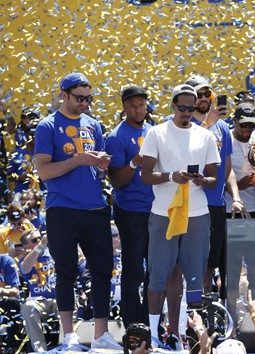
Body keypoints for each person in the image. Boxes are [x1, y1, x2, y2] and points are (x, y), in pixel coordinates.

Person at [34, 72, 120, 350]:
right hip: (63, 208)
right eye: (79, 98)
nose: (85, 103)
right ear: (64, 95)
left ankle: (101, 335)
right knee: (67, 271)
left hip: (95, 207)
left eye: (89, 98)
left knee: (102, 271)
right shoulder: (47, 126)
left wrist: (101, 162)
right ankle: (69, 335)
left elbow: (93, 165)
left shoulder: (93, 124)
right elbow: (45, 172)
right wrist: (78, 160)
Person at [140, 84, 220, 349]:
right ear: (173, 106)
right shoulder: (156, 133)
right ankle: (153, 335)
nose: (187, 112)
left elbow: (213, 179)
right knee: (159, 276)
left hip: (196, 213)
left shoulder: (205, 136)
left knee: (195, 277)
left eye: (191, 107)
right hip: (164, 212)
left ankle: (184, 335)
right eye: (182, 107)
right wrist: (170, 176)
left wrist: (200, 180)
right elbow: (145, 175)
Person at [183, 75, 247, 298]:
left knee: (211, 263)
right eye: (198, 95)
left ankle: (205, 305)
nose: (203, 98)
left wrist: (236, 197)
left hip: (216, 202)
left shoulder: (222, 128)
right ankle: (189, 310)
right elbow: (183, 151)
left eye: (207, 94)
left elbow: (226, 169)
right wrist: (206, 125)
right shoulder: (184, 122)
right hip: (190, 201)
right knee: (192, 261)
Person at [105, 85, 154, 327]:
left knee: (154, 270)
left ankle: (151, 321)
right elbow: (116, 181)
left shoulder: (154, 131)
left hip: (155, 210)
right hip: (131, 211)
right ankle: (132, 323)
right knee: (134, 268)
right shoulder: (116, 137)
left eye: (141, 105)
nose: (138, 109)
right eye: (133, 105)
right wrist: (135, 162)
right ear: (124, 107)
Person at [225, 103, 255, 217]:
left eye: (251, 125)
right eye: (243, 125)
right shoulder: (225, 141)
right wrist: (239, 185)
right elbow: (216, 179)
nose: (247, 128)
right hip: (231, 208)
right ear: (234, 121)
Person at [19, 229, 58, 352]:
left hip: (59, 298)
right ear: (26, 246)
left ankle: (68, 345)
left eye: (40, 238)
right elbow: (25, 269)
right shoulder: (25, 261)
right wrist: (40, 246)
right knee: (27, 307)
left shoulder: (54, 253)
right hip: (40, 302)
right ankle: (40, 350)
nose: (39, 241)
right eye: (35, 240)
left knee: (67, 299)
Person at [0, 253, 22, 352]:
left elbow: (15, 292)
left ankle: (12, 347)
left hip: (4, 302)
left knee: (12, 302)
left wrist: (1, 291)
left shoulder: (6, 261)